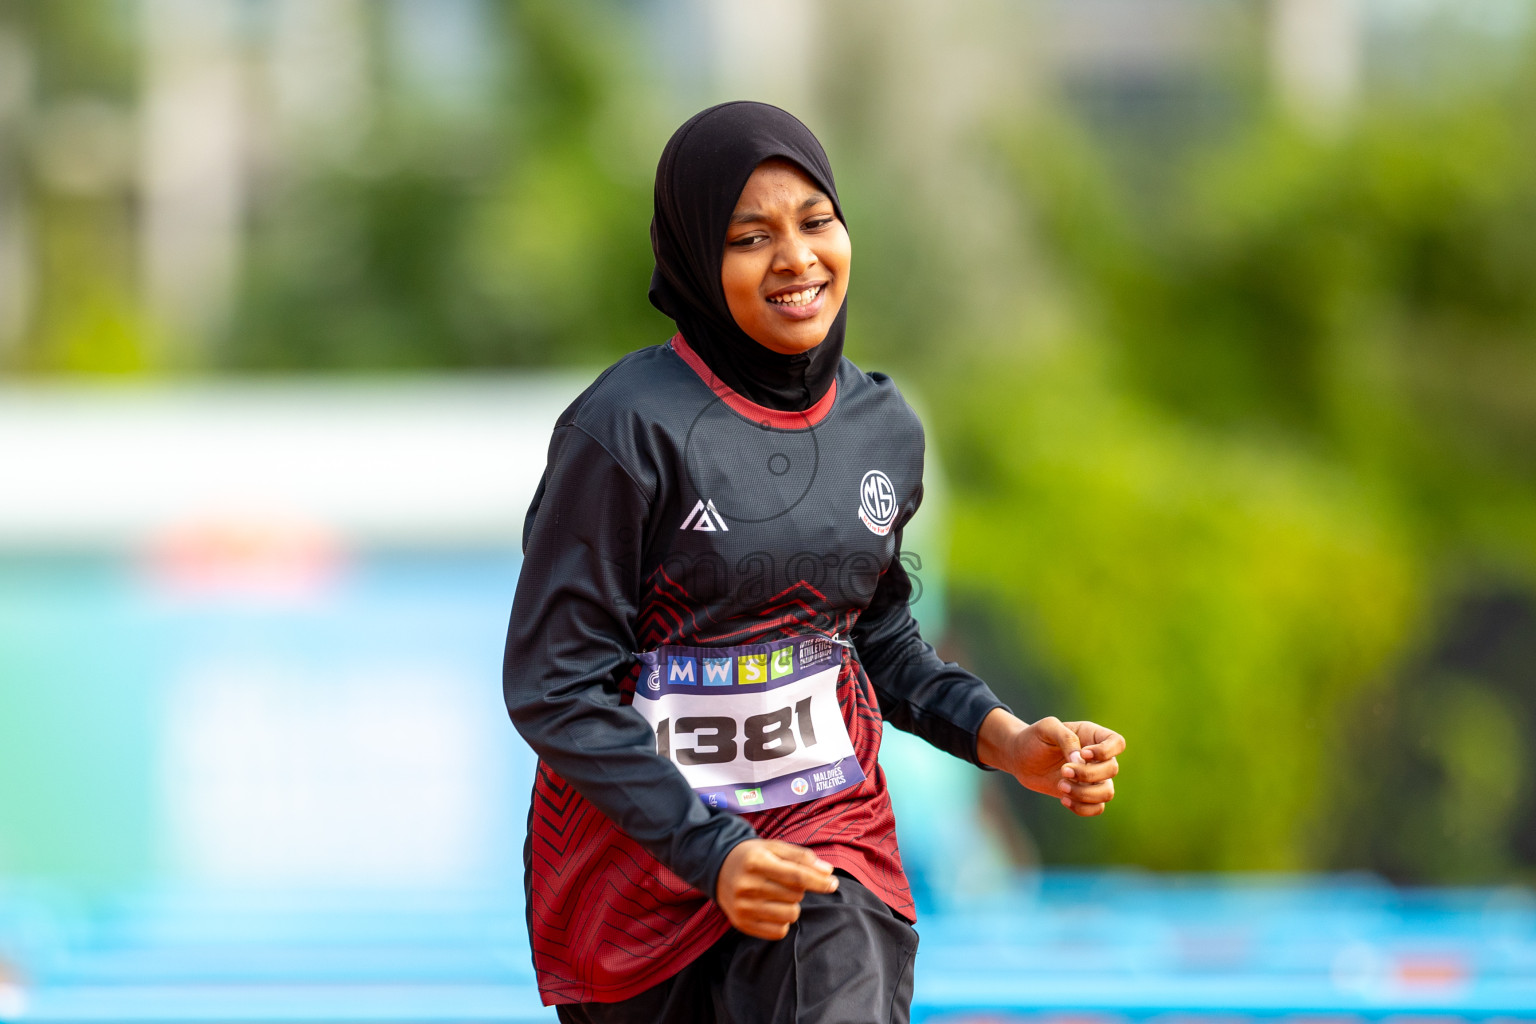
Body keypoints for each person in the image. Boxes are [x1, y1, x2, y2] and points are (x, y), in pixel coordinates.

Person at [502, 101, 1125, 1024]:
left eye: (816, 221)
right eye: (751, 236)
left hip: (828, 835)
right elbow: (555, 685)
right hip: (637, 883)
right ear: (693, 260)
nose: (796, 258)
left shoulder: (883, 428)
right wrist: (711, 853)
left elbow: (881, 642)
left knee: (841, 964)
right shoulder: (626, 429)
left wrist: (1007, 741)